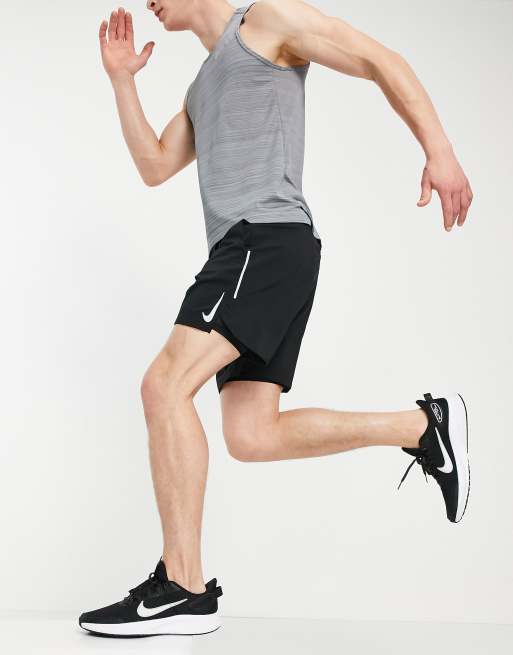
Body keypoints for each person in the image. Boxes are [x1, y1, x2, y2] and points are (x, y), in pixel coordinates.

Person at [79, 0, 473, 637]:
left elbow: (379, 59)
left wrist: (440, 150)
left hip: (262, 241)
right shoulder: (202, 86)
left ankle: (184, 587)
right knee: (251, 435)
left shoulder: (263, 23)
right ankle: (423, 425)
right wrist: (122, 80)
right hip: (257, 252)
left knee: (164, 386)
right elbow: (154, 165)